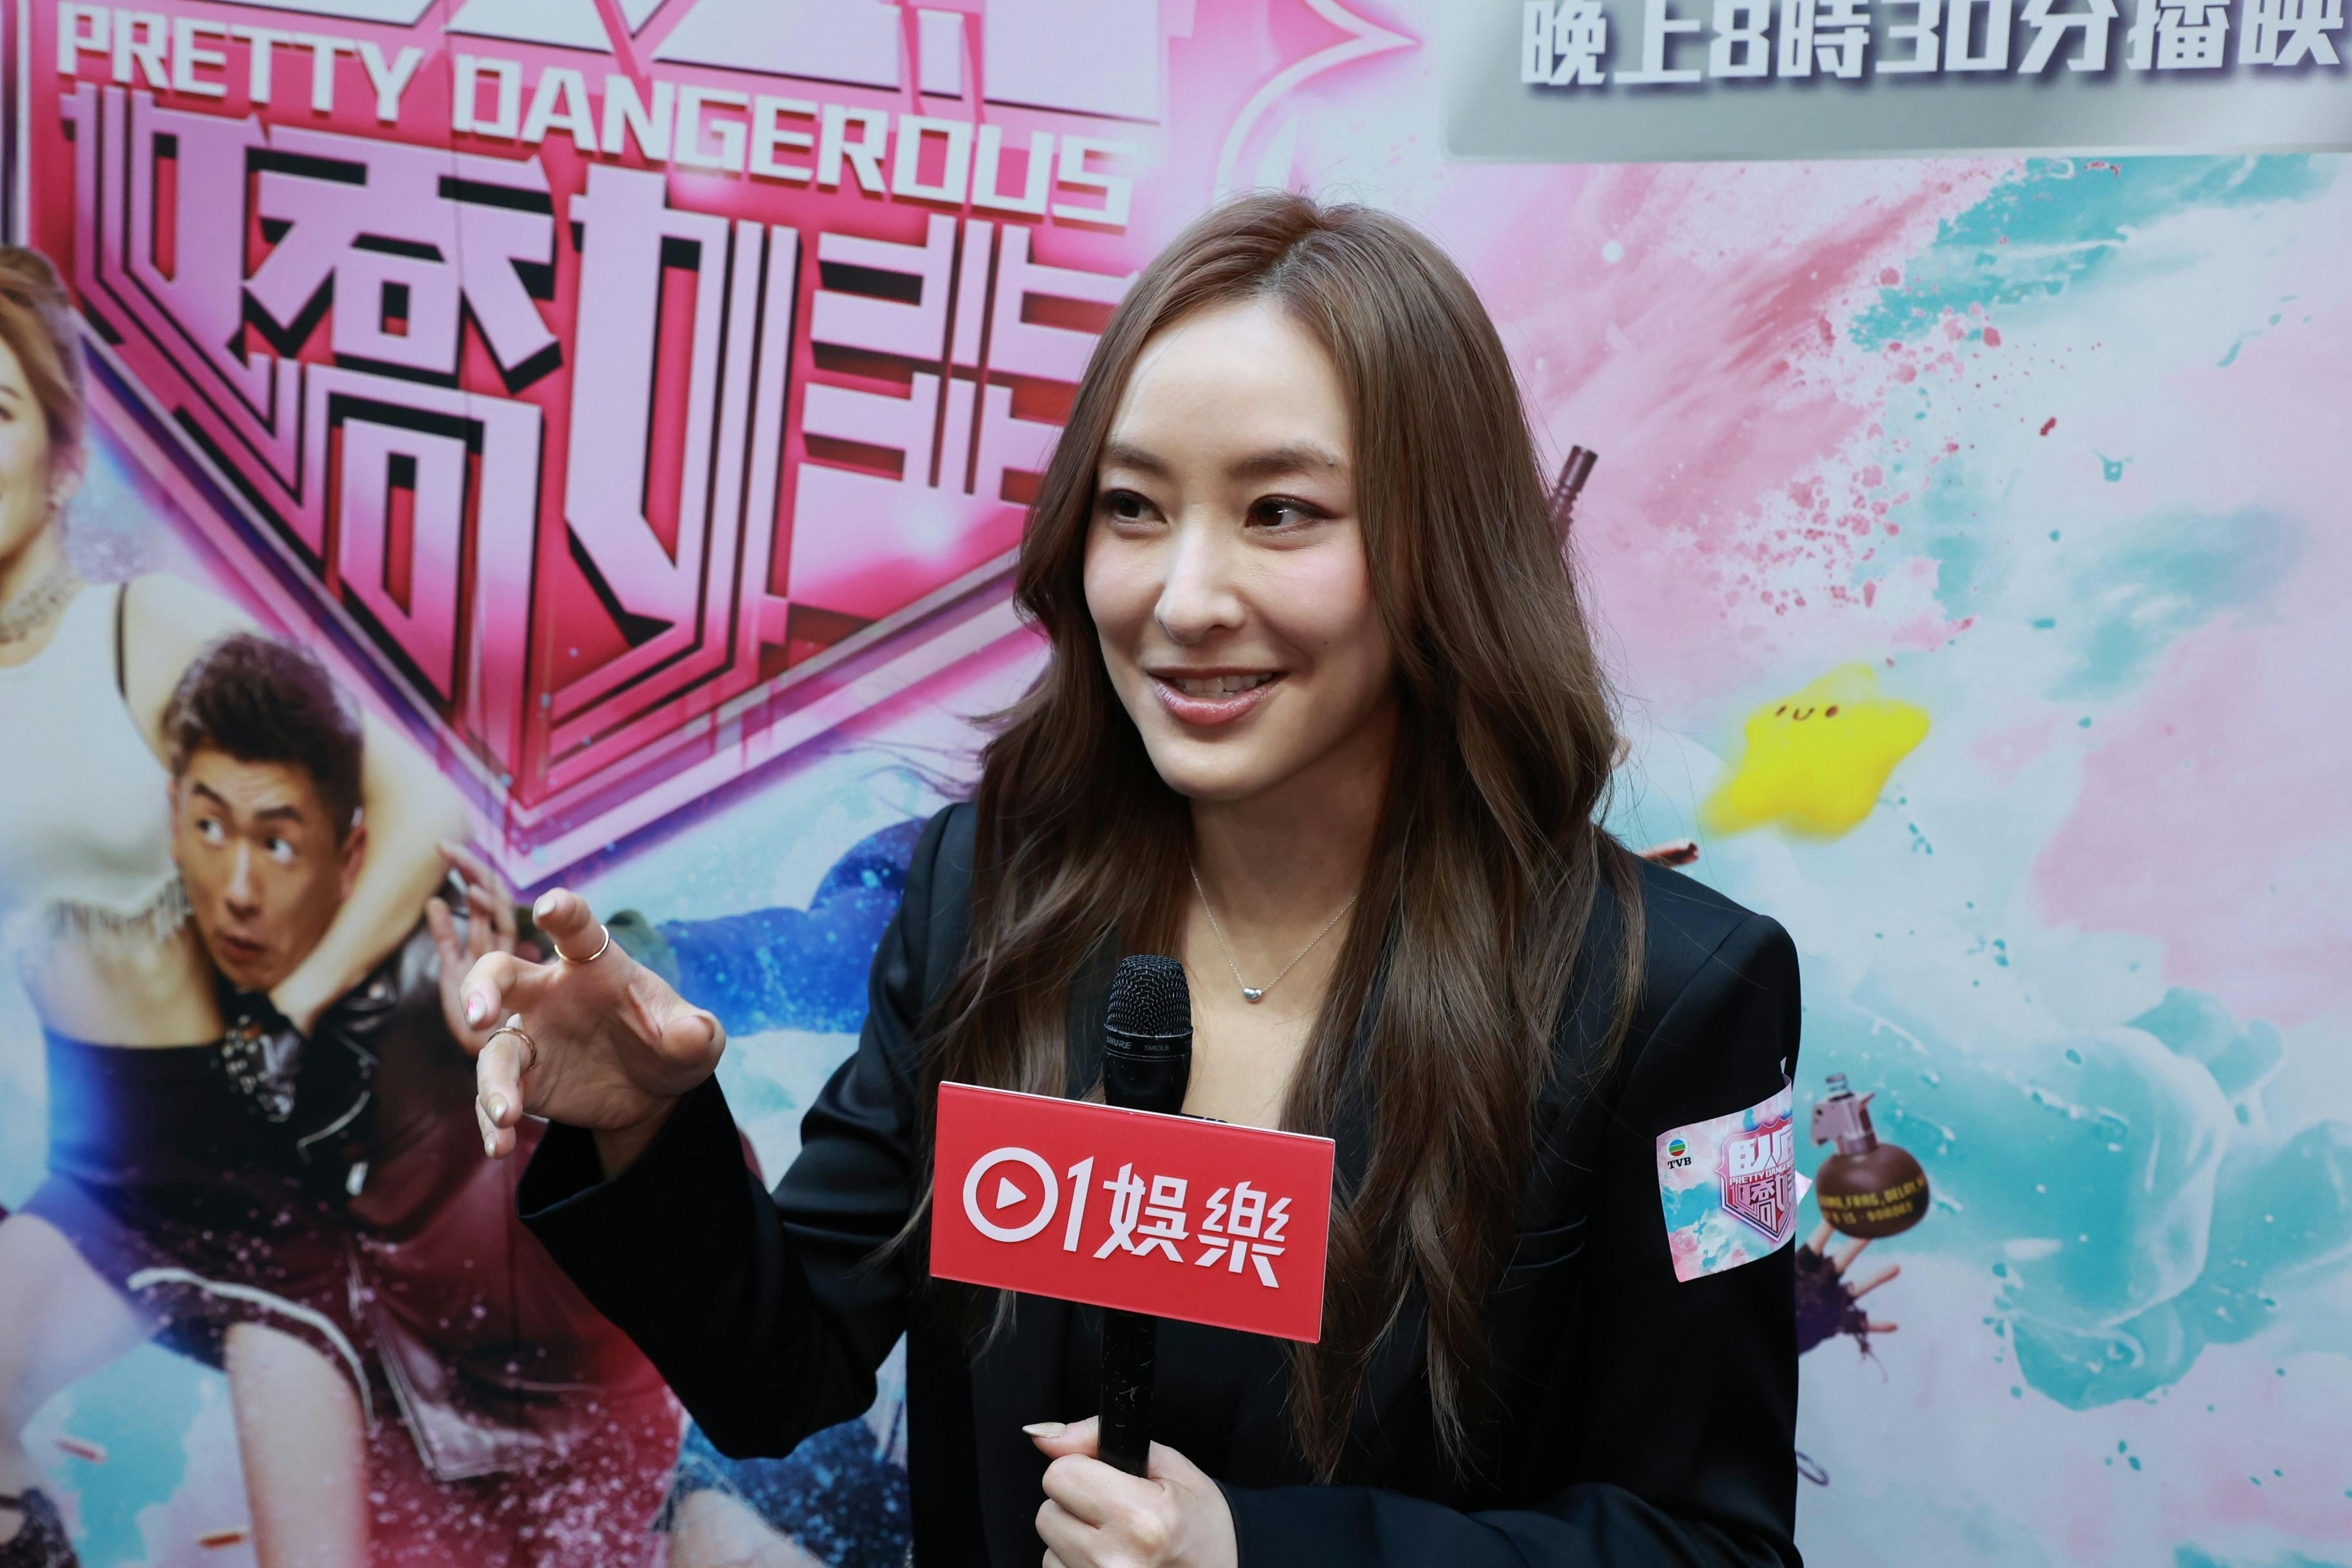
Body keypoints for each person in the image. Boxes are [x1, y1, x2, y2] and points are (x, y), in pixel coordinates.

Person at [465, 193, 1805, 1567]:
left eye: (1280, 512)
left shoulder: (1677, 999)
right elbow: (781, 1371)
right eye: (1134, 509)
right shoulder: (988, 899)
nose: (1184, 599)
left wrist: (1253, 1556)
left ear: (1442, 547)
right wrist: (643, 1127)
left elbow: (1715, 1546)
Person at [5, 631, 683, 1568]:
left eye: (279, 843)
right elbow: (116, 1193)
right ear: (172, 818)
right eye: (209, 829)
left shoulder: (460, 975)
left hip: (449, 1381)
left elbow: (641, 1231)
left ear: (352, 850)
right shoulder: (121, 965)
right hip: (234, 1267)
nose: (238, 890)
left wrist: (521, 1097)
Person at [0, 244, 469, 1565]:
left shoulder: (139, 631)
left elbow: (420, 806)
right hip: (107, 1177)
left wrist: (297, 1002)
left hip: (282, 1182)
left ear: (64, 459)